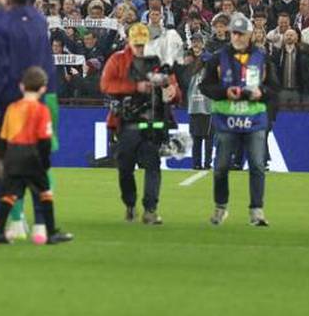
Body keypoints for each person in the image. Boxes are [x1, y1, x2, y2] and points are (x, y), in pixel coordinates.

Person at [0, 0, 56, 240]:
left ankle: (11, 221)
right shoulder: (40, 21)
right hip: (39, 98)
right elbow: (48, 59)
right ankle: (42, 224)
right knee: (40, 162)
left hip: (6, 101)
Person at [200, 14, 278, 227]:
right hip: (227, 119)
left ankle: (257, 211)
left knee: (257, 166)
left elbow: (274, 87)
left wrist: (261, 92)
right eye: (234, 32)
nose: (237, 37)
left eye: (242, 33)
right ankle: (220, 207)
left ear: (250, 35)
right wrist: (225, 92)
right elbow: (204, 86)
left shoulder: (262, 57)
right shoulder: (218, 57)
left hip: (254, 120)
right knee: (221, 166)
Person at [101, 23, 181, 224]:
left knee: (153, 164)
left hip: (152, 121)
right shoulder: (117, 60)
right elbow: (105, 85)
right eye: (136, 44)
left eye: (142, 44)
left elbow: (174, 89)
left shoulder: (157, 62)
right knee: (125, 168)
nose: (139, 48)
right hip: (126, 122)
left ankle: (150, 209)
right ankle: (129, 203)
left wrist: (172, 92)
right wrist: (134, 87)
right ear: (129, 41)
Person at [0, 67, 73, 245]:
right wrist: (45, 163)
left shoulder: (12, 108)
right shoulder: (41, 110)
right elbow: (44, 140)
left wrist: (6, 158)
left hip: (12, 155)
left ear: (21, 86)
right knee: (45, 192)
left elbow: (3, 137)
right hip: (32, 155)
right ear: (43, 88)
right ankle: (50, 233)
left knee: (9, 194)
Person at [179, 35, 215, 170]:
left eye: (198, 42)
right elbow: (183, 81)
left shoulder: (209, 59)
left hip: (208, 104)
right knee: (196, 137)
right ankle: (196, 163)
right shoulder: (187, 60)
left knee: (209, 137)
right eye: (194, 42)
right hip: (194, 104)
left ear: (203, 44)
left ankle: (207, 163)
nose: (196, 45)